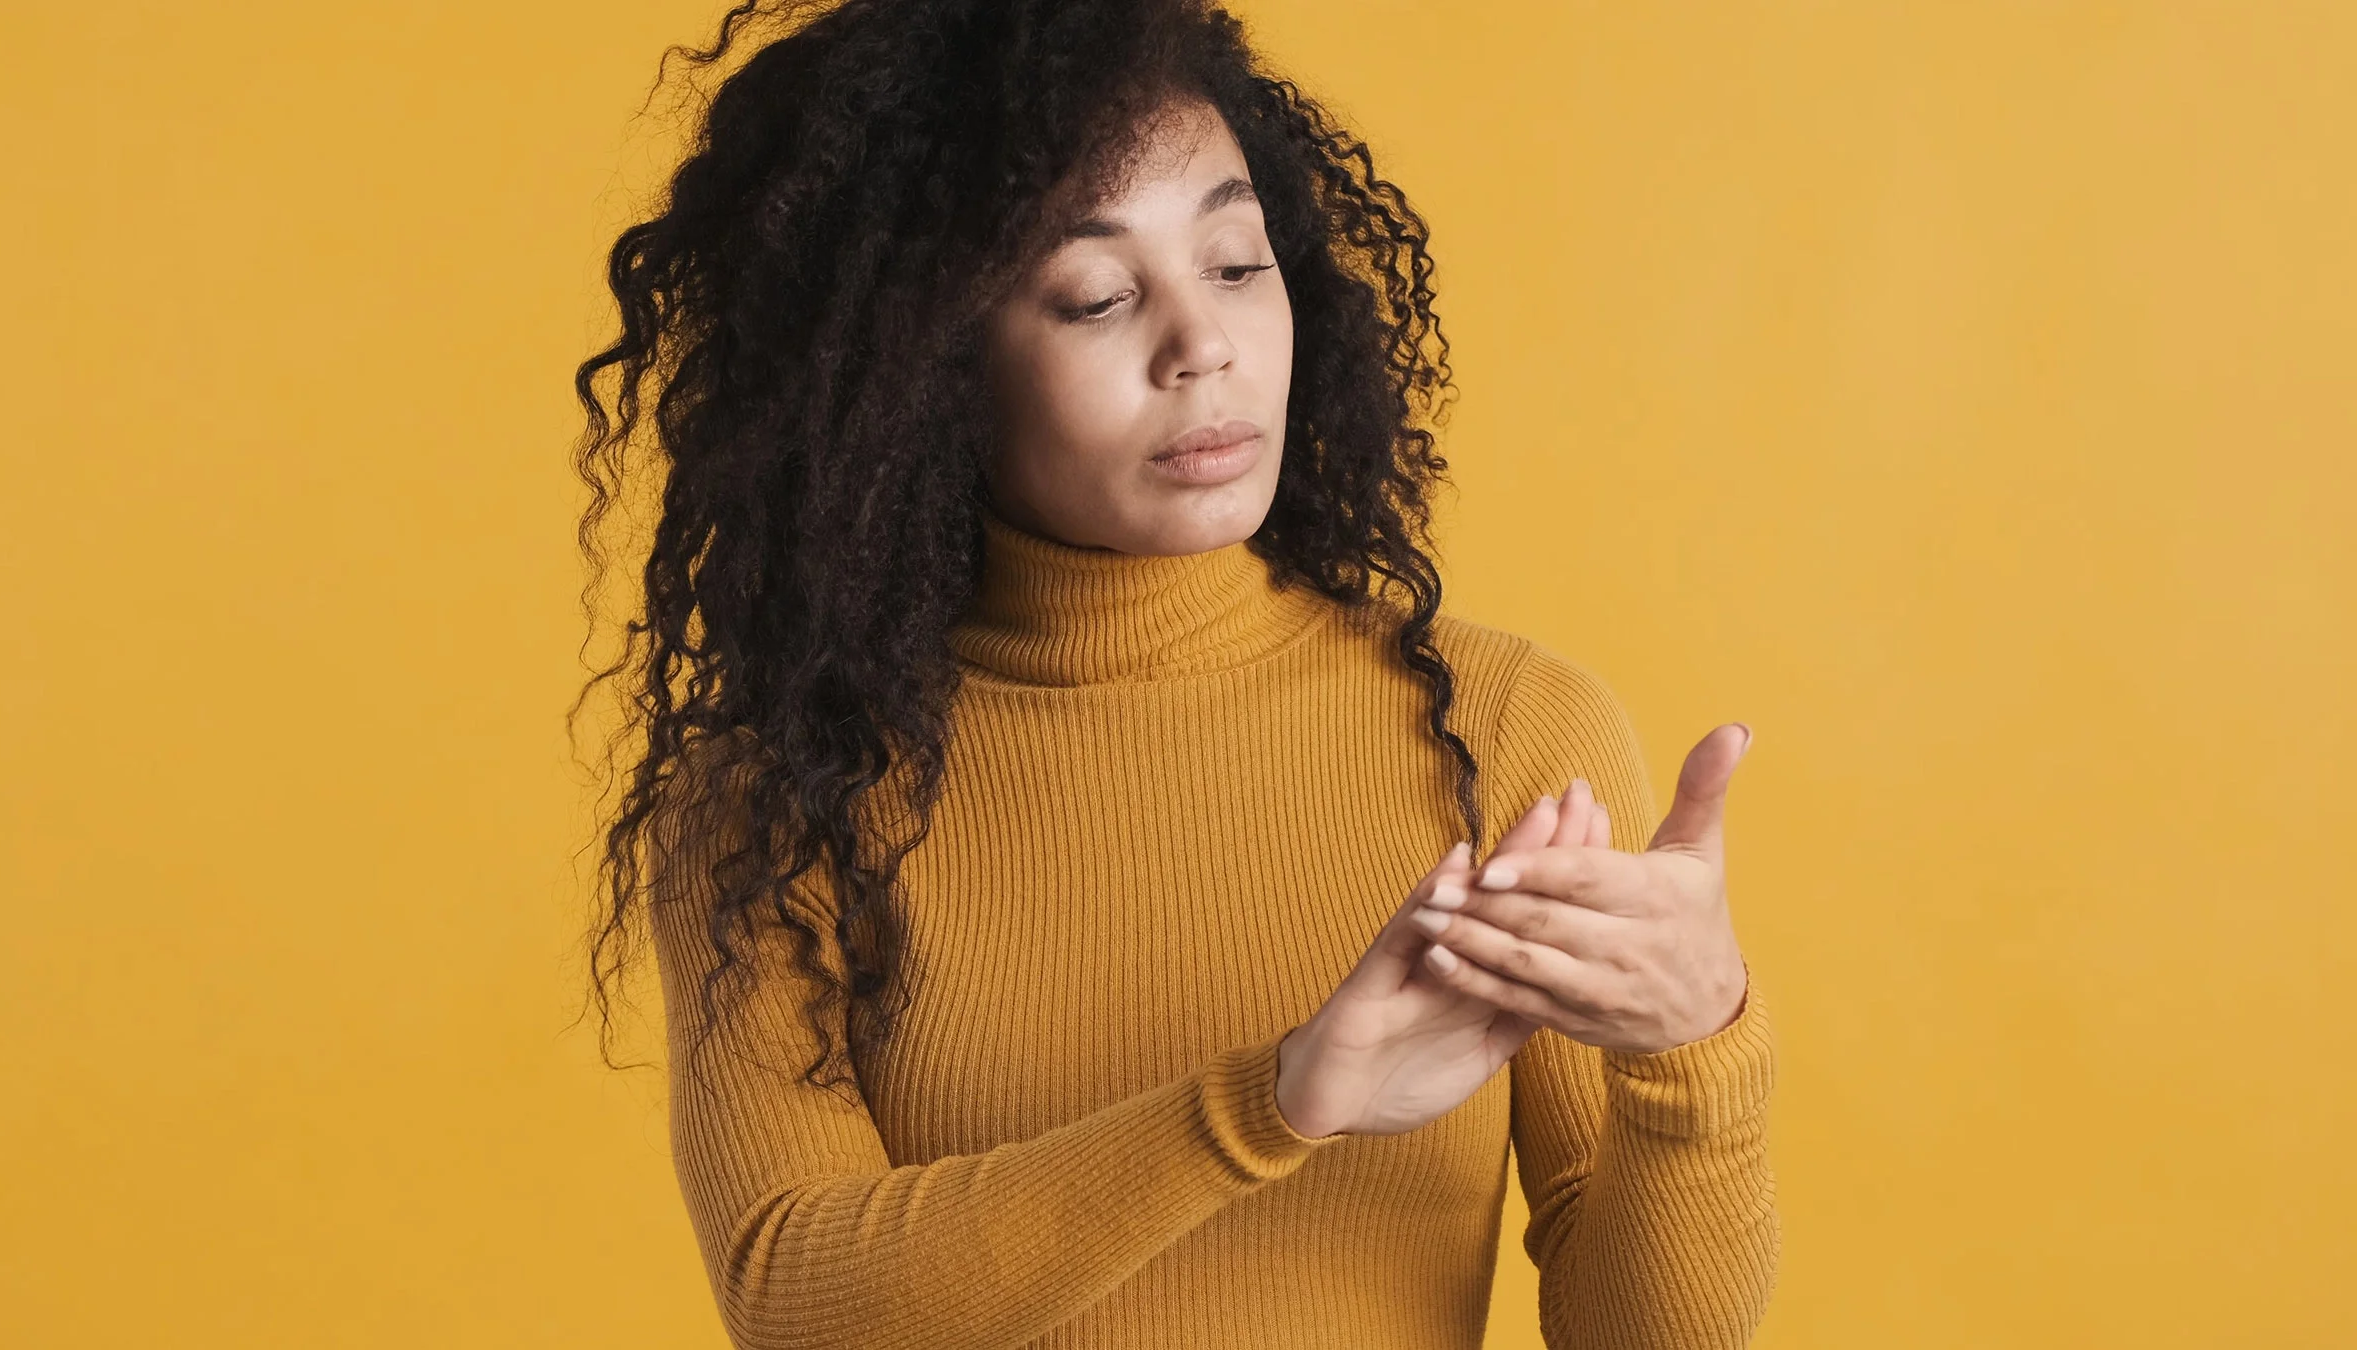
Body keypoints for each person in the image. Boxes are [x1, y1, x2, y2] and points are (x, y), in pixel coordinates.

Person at [569, 1, 1778, 1345]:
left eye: (1236, 264)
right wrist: (1279, 1100)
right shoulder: (777, 805)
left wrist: (1692, 1052)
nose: (1201, 345)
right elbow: (800, 1301)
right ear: (926, 373)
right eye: (1094, 294)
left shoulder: (1502, 732)